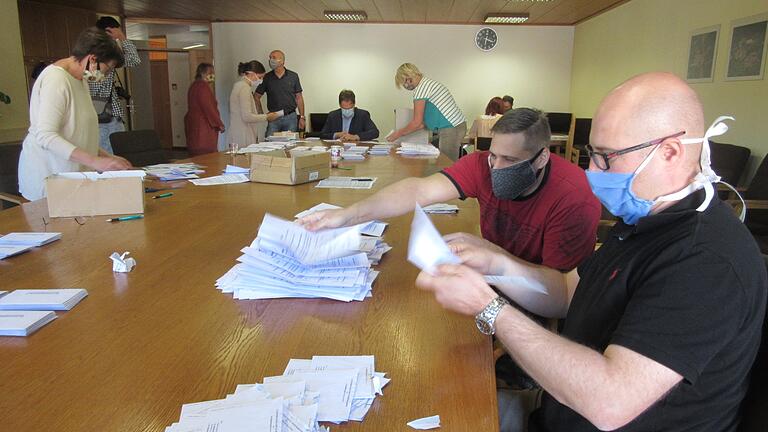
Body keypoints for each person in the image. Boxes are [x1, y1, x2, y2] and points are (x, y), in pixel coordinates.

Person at [415, 72, 767, 432]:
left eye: (605, 158)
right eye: (591, 155)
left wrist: (489, 308)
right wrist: (496, 263)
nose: (592, 171)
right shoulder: (643, 217)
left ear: (669, 153)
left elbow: (610, 402)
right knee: (431, 396)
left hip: (586, 411)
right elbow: (569, 291)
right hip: (558, 409)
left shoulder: (705, 261)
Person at [299, 108, 601, 272]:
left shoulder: (573, 197)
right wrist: (347, 216)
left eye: (510, 160)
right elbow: (417, 190)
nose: (495, 167)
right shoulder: (482, 164)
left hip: (532, 288)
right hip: (489, 271)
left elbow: (557, 294)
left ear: (543, 157)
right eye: (494, 155)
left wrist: (492, 254)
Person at [18, 27, 132, 201]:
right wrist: (95, 161)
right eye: (107, 69)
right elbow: (46, 136)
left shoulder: (80, 79)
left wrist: (108, 157)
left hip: (73, 176)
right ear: (92, 59)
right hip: (49, 175)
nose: (106, 75)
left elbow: (78, 133)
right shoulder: (56, 80)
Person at [387, 63, 467, 161]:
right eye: (404, 84)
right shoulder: (427, 84)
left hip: (451, 128)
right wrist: (405, 133)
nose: (406, 85)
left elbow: (417, 122)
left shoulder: (421, 89)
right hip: (456, 126)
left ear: (411, 76)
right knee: (442, 162)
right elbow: (421, 124)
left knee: (447, 164)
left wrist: (397, 134)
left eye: (406, 81)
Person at [90, 16, 141, 154]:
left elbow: (134, 60)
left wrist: (122, 39)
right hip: (98, 118)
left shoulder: (109, 53)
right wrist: (121, 39)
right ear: (108, 32)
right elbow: (133, 59)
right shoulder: (94, 55)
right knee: (106, 157)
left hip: (113, 116)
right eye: (116, 33)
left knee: (120, 154)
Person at [228, 60, 281, 149]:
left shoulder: (239, 86)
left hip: (239, 133)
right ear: (251, 74)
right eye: (260, 77)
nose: (261, 80)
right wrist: (267, 117)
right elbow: (247, 116)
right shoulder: (244, 88)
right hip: (243, 136)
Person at [254, 50, 305, 137]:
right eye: (270, 58)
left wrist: (302, 117)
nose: (270, 60)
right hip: (273, 117)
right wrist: (262, 115)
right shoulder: (267, 77)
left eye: (273, 57)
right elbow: (256, 96)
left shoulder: (293, 76)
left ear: (281, 61)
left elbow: (299, 97)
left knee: (290, 145)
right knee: (269, 144)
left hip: (290, 117)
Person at [184, 63, 225, 156]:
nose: (212, 75)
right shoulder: (203, 87)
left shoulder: (193, 85)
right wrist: (219, 123)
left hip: (193, 126)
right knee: (207, 157)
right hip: (204, 127)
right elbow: (209, 107)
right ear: (202, 73)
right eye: (210, 72)